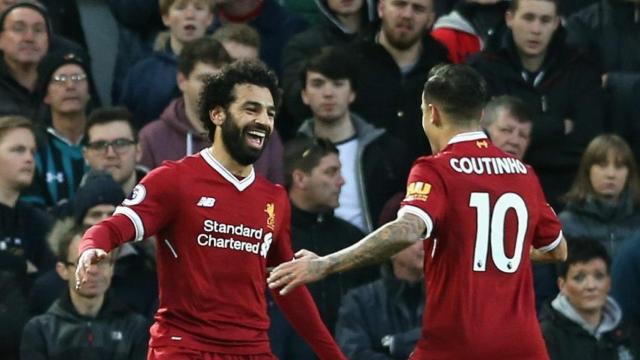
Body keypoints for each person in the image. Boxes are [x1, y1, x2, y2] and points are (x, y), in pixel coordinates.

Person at [268, 64, 568, 359]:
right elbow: (557, 251)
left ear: (431, 112)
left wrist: (326, 264)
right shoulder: (524, 173)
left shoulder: (436, 169)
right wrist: (486, 246)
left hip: (458, 345)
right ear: (479, 114)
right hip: (524, 346)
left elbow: (407, 230)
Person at [75, 60, 345, 359]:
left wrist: (334, 356)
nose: (264, 121)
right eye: (251, 109)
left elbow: (288, 287)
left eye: (270, 113)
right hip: (185, 347)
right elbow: (113, 226)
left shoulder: (275, 198)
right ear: (217, 114)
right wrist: (92, 247)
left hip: (252, 350)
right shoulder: (174, 180)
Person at [467, 0, 605, 210]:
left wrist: (512, 139)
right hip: (491, 194)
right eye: (528, 18)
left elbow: (587, 145)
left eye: (545, 20)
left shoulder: (581, 71)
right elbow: (473, 137)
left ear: (557, 23)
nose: (536, 30)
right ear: (510, 17)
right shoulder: (481, 68)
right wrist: (557, 127)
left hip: (564, 198)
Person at [296, 47, 410, 233]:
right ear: (304, 95)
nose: (328, 93)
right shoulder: (291, 154)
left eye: (338, 84)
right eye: (318, 84)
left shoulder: (388, 152)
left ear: (352, 93)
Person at [21, 220, 150, 360]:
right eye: (82, 262)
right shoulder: (40, 331)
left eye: (102, 261)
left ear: (112, 267)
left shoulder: (136, 328)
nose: (93, 270)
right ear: (63, 270)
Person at [348, 0, 450, 161]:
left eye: (418, 9)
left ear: (431, 19)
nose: (407, 15)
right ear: (381, 8)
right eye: (399, 4)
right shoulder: (349, 64)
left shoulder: (445, 75)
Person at [0, 114, 53, 360]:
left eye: (32, 151)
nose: (29, 158)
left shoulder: (40, 222)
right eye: (17, 150)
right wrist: (20, 264)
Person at [118, 0, 215, 128]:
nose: (190, 15)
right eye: (180, 8)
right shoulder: (142, 73)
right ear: (166, 17)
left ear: (210, 18)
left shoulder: (225, 68)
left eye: (199, 8)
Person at [539, 239, 637, 360]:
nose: (591, 286)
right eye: (579, 278)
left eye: (599, 276)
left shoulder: (627, 331)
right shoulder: (545, 337)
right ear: (562, 285)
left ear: (609, 282)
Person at [21, 51, 91, 208]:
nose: (70, 86)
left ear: (89, 92)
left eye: (78, 78)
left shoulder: (104, 142)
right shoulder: (34, 146)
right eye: (60, 80)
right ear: (46, 95)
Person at [335, 240, 425, 359]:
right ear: (392, 250)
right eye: (416, 238)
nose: (424, 245)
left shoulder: (448, 294)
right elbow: (353, 353)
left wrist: (395, 343)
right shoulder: (359, 300)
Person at [559, 134, 640, 258]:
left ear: (629, 173)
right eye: (602, 165)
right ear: (588, 170)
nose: (611, 174)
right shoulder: (567, 224)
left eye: (619, 166)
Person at [480, 95, 533, 160]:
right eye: (506, 131)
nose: (515, 141)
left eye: (523, 135)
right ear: (483, 131)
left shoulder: (528, 170)